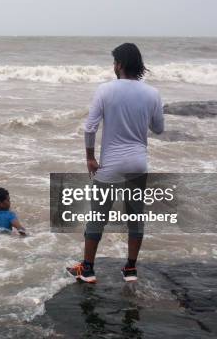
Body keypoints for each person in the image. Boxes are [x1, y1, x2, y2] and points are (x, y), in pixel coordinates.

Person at [67, 43, 164, 283]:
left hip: (111, 164)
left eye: (114, 62)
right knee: (135, 217)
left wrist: (90, 157)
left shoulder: (105, 90)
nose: (113, 66)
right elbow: (159, 128)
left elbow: (90, 128)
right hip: (138, 164)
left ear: (119, 64)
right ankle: (130, 268)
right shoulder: (152, 93)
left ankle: (87, 269)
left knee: (97, 216)